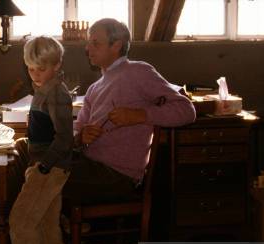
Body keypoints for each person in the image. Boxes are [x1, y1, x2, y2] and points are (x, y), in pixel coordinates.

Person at [63, 18, 196, 203]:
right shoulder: (95, 88)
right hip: (91, 166)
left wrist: (140, 115)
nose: (88, 49)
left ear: (116, 45)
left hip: (116, 175)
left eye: (95, 43)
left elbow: (186, 110)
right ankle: (40, 226)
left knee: (40, 170)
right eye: (88, 43)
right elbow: (79, 127)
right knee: (27, 150)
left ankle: (26, 227)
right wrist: (80, 136)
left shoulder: (138, 71)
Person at [6, 36, 73, 244]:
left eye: (41, 69)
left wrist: (43, 167)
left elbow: (65, 138)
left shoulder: (57, 93)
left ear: (56, 65)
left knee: (21, 219)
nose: (35, 74)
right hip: (44, 164)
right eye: (30, 68)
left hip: (51, 167)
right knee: (46, 222)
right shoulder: (43, 90)